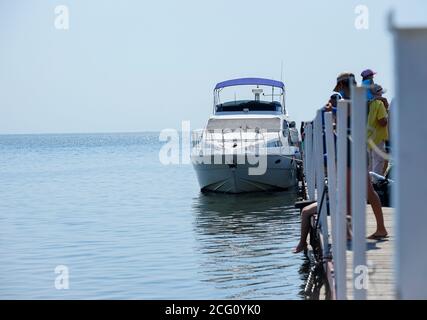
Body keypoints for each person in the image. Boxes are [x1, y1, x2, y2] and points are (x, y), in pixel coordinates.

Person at [367, 84, 389, 175]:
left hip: (368, 137)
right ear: (379, 93)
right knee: (378, 162)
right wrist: (387, 115)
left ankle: (369, 186)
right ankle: (375, 185)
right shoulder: (379, 104)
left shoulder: (368, 104)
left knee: (370, 164)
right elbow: (382, 122)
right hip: (378, 138)